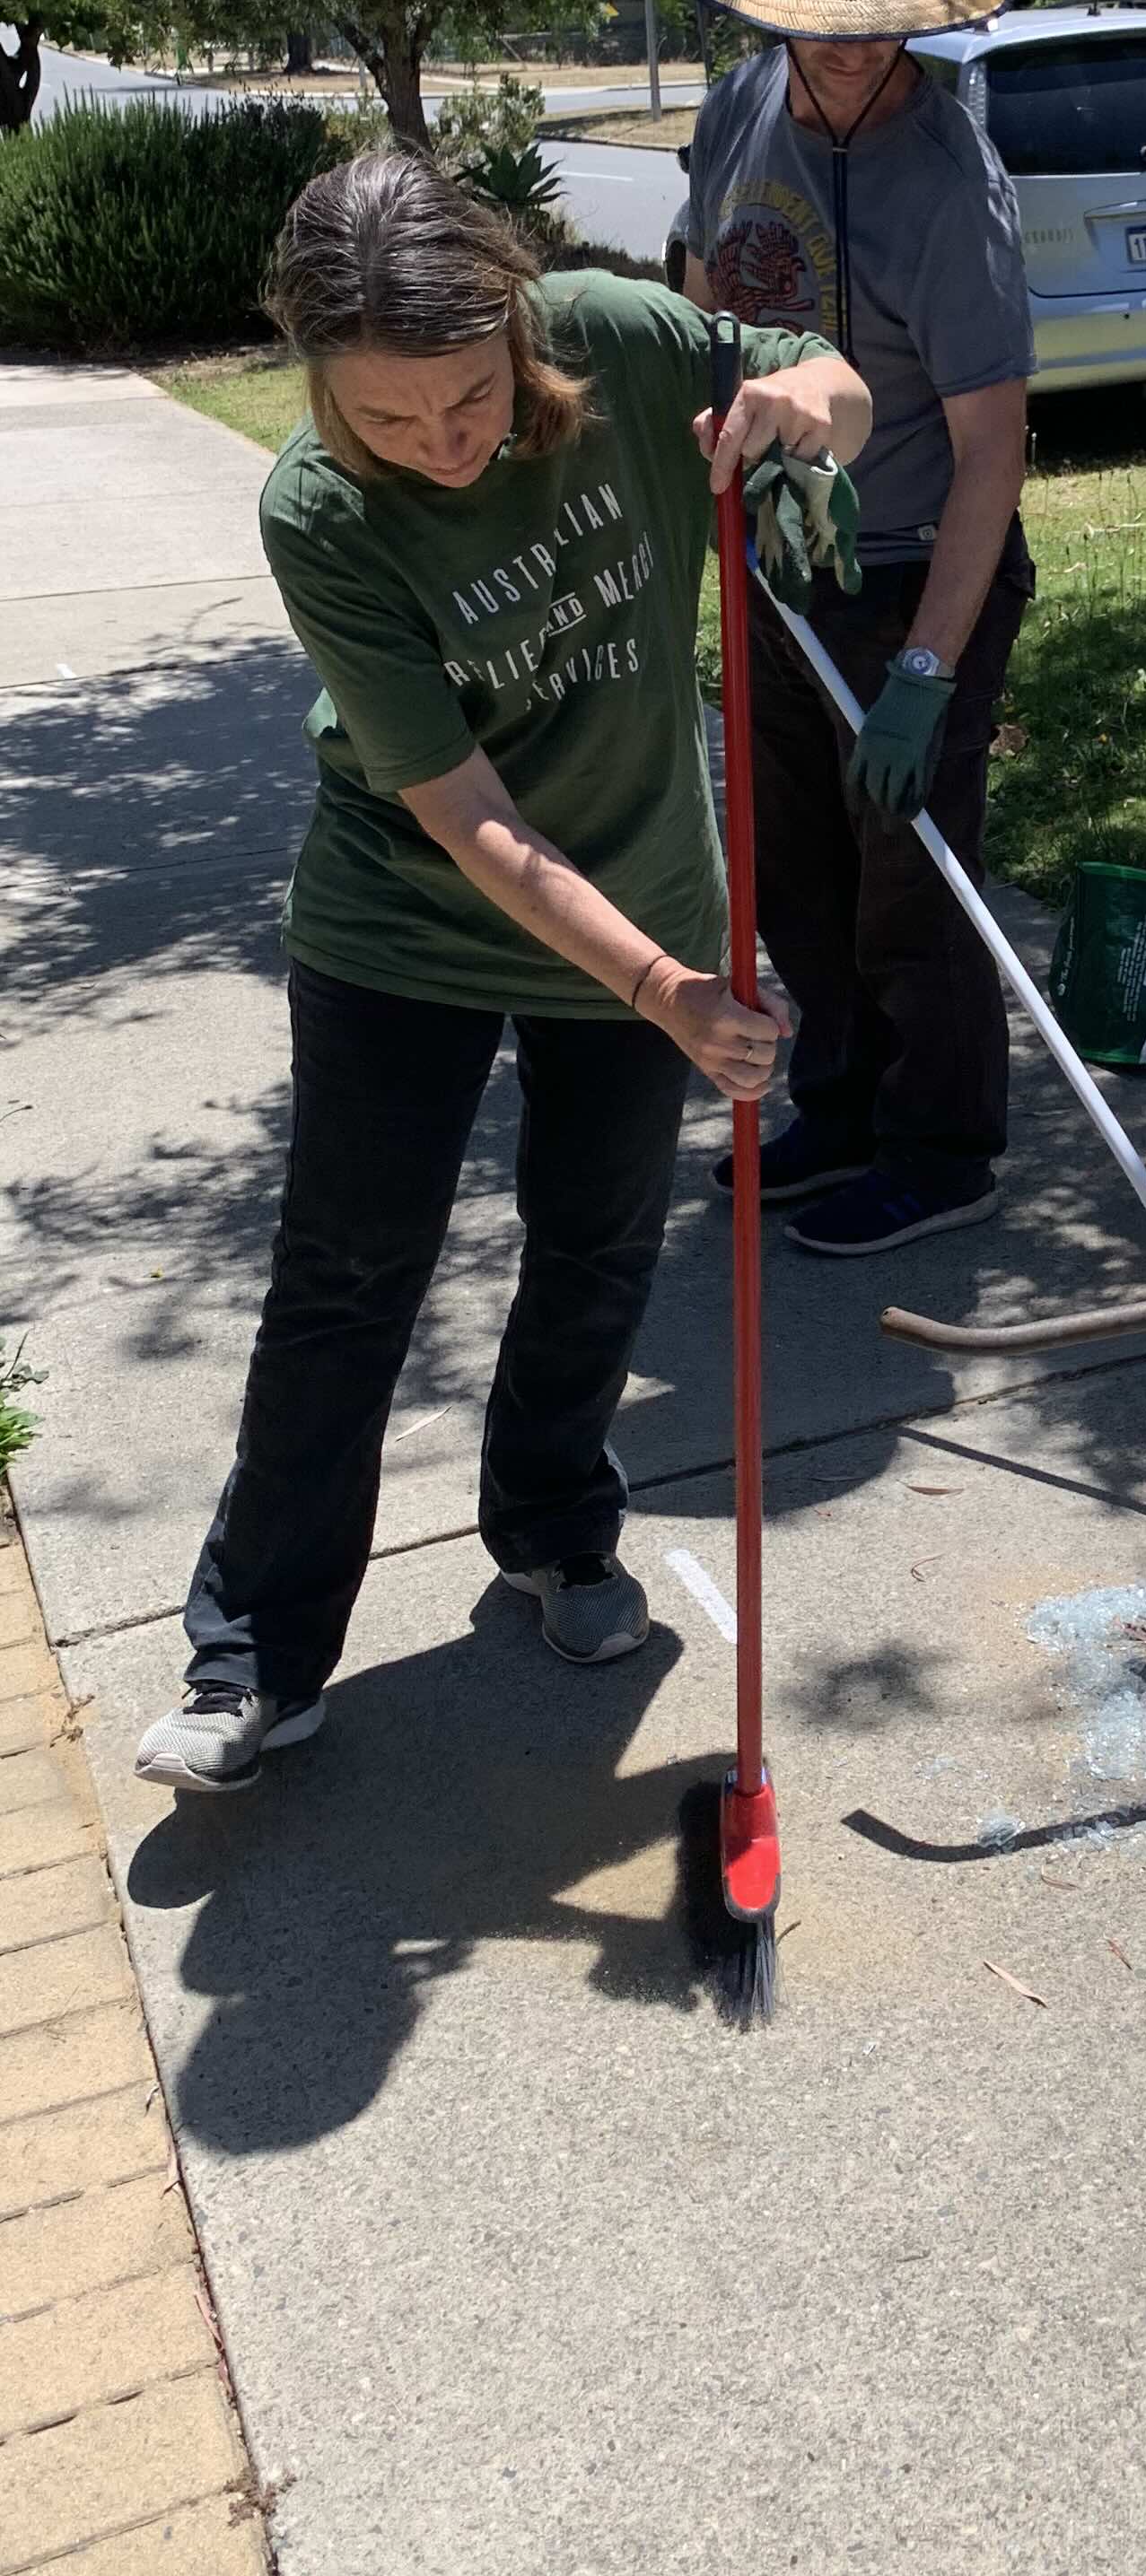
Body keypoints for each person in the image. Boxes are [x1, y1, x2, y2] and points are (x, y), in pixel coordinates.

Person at [136, 150, 871, 1794]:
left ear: (518, 324)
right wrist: (669, 993)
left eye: (467, 400)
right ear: (316, 381)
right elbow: (470, 821)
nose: (440, 447)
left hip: (643, 891)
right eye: (385, 418)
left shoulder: (620, 338)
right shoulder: (320, 512)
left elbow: (830, 378)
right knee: (346, 1279)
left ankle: (552, 1525)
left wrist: (815, 411)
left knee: (598, 1244)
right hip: (409, 923)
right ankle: (255, 1656)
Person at [676, 0, 1037, 1259]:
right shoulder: (733, 111)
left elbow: (991, 449)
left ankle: (942, 1143)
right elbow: (705, 304)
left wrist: (931, 669)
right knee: (796, 865)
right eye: (812, 23)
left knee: (912, 876)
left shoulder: (949, 185)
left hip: (906, 573)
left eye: (868, 28)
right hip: (774, 558)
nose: (839, 51)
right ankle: (836, 1100)